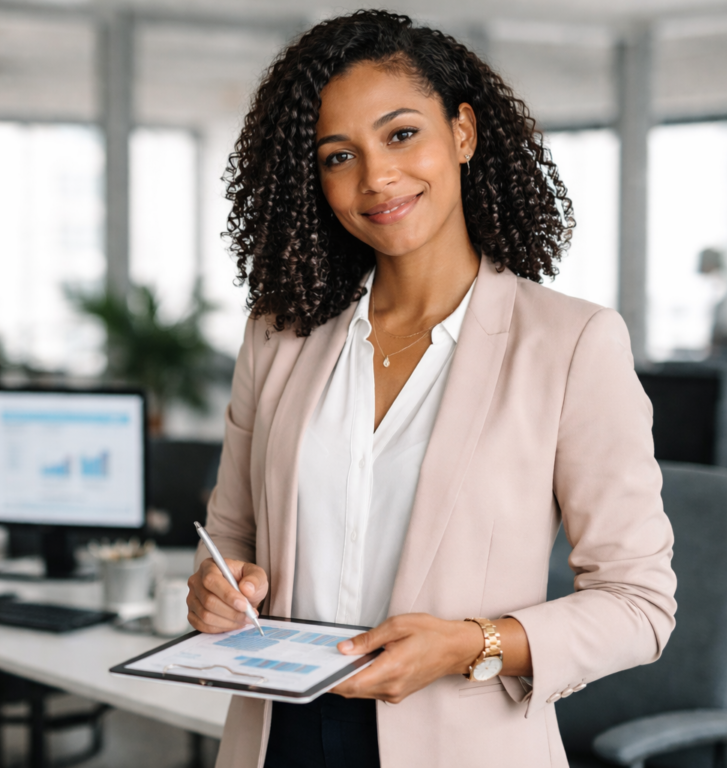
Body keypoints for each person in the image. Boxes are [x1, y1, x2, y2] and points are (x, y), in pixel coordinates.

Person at [186, 10, 677, 768]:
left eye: (402, 134)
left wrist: (469, 645)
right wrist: (218, 593)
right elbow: (231, 544)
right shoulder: (278, 336)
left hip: (461, 743)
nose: (376, 176)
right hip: (277, 737)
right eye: (337, 155)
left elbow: (639, 604)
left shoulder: (572, 344)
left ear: (464, 133)